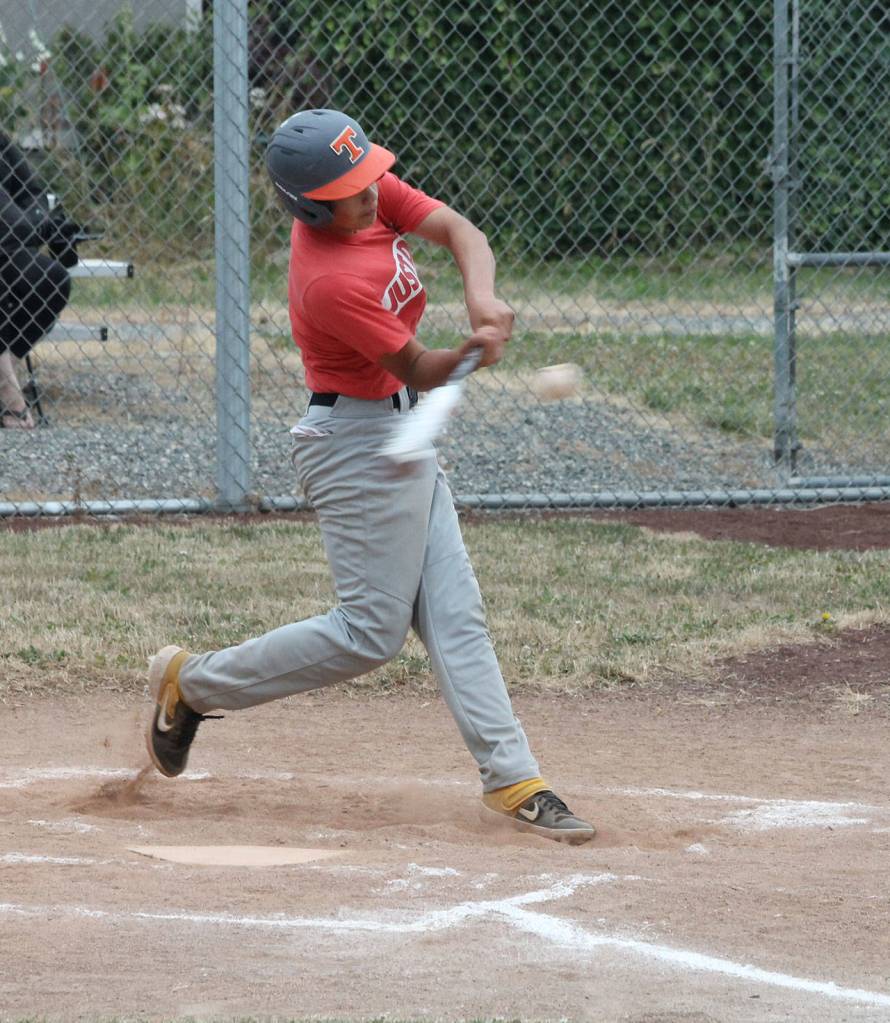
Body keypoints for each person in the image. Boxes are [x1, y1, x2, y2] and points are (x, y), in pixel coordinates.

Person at [145, 108, 596, 844]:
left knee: (454, 612)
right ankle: (190, 683)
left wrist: (482, 298)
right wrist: (469, 355)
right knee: (368, 633)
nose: (374, 191)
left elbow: (460, 231)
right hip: (355, 442)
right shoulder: (329, 278)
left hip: (397, 427)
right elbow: (419, 365)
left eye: (368, 176)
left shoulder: (362, 192)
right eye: (353, 190)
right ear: (312, 207)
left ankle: (514, 778)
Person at [0, 130, 78, 428]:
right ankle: (9, 396)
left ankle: (7, 373)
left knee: (51, 279)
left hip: (8, 244)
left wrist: (37, 221)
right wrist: (30, 227)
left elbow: (32, 193)